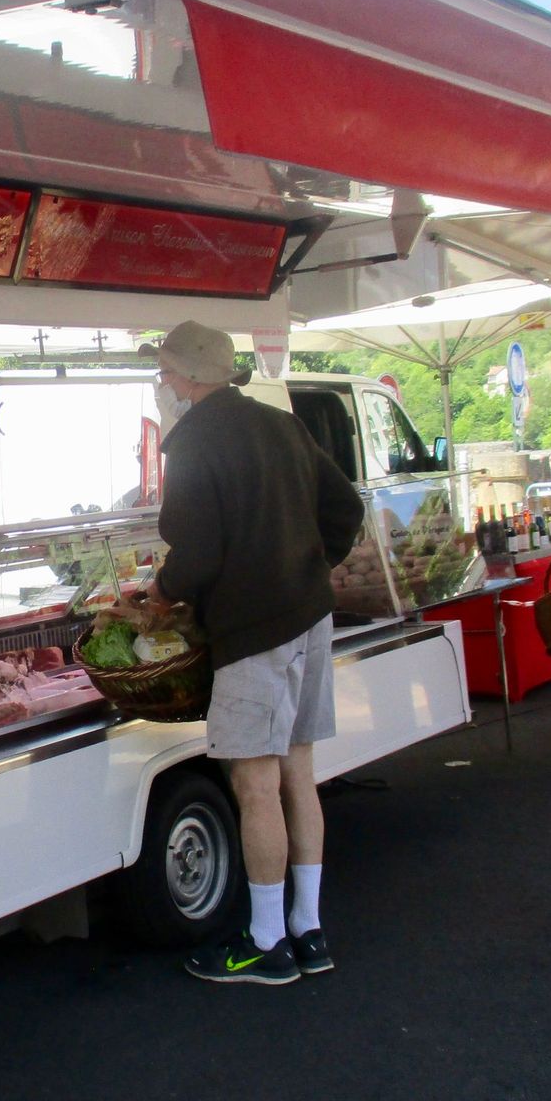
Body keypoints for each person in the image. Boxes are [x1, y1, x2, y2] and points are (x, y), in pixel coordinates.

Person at [142, 321, 366, 984]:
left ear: (188, 378)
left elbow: (197, 553)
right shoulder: (280, 424)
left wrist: (162, 593)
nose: (162, 384)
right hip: (310, 616)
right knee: (299, 772)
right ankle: (309, 930)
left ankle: (266, 942)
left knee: (254, 784)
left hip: (253, 631)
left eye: (165, 372)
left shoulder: (195, 442)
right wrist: (308, 565)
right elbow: (345, 508)